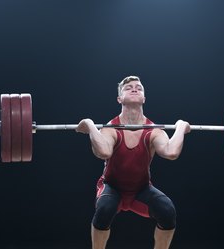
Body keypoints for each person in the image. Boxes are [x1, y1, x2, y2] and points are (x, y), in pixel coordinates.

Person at [76, 76, 191, 249]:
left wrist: (181, 127)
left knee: (167, 211)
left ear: (144, 98)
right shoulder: (110, 128)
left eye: (139, 87)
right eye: (128, 87)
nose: (135, 89)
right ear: (119, 98)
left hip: (141, 190)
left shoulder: (153, 131)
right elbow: (103, 152)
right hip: (111, 187)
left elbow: (171, 152)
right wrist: (90, 125)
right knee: (105, 209)